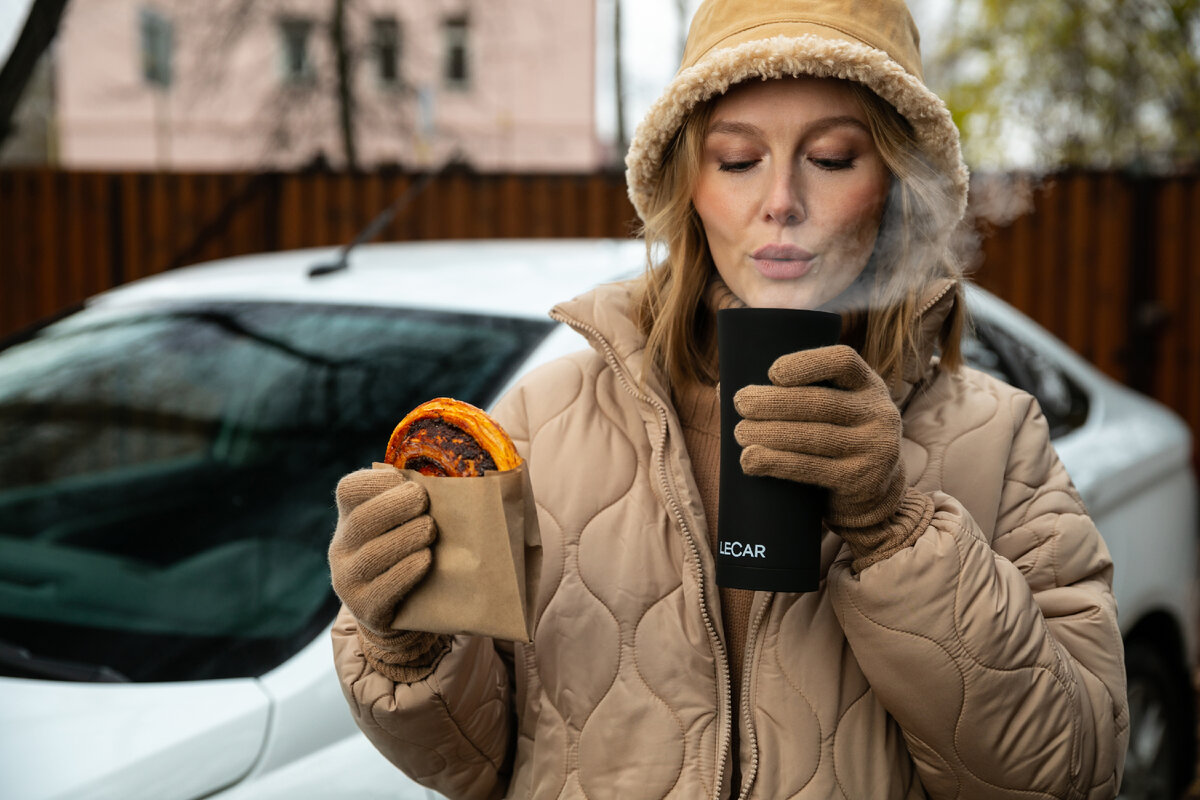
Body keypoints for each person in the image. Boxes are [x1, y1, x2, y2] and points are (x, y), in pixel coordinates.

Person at [327, 0, 1128, 797]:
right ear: (689, 189)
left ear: (897, 187)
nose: (780, 200)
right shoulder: (540, 420)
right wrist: (407, 645)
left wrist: (896, 533)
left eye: (835, 158)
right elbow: (472, 762)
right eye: (738, 160)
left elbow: (1070, 775)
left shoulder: (999, 437)